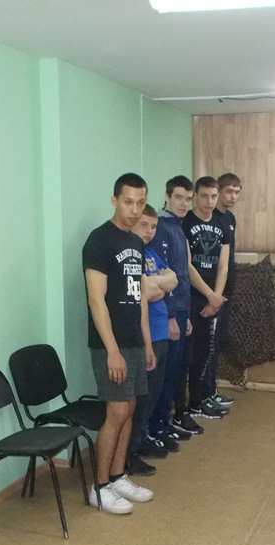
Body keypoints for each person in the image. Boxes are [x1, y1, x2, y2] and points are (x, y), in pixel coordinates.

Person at [83, 173, 157, 514]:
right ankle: (99, 488)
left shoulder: (136, 243)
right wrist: (112, 351)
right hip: (109, 345)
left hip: (134, 341)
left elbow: (138, 296)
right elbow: (96, 300)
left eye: (140, 203)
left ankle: (117, 476)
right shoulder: (99, 240)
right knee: (115, 412)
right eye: (128, 202)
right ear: (114, 201)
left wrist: (147, 343)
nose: (134, 209)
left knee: (129, 408)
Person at [125, 204, 178, 477]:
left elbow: (173, 280)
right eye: (144, 225)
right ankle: (129, 453)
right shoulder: (130, 256)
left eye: (153, 226)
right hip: (146, 337)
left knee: (154, 396)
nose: (149, 231)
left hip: (160, 333)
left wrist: (156, 283)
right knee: (141, 399)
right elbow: (146, 292)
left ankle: (143, 439)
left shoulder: (151, 254)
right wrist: (158, 284)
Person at [149, 176, 202, 441]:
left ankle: (163, 423)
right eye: (179, 197)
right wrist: (170, 316)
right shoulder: (161, 227)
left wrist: (186, 315)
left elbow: (181, 274)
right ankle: (155, 428)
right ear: (167, 197)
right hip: (167, 313)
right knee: (165, 374)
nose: (184, 203)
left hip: (181, 310)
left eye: (188, 199)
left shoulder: (178, 227)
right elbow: (160, 276)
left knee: (176, 371)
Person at [183, 176, 231, 420]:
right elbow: (187, 265)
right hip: (194, 296)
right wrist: (209, 295)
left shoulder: (222, 224)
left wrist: (217, 297)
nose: (209, 201)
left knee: (207, 351)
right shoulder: (186, 223)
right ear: (196, 196)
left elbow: (223, 265)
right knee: (191, 353)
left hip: (213, 299)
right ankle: (191, 403)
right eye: (204, 196)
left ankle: (202, 397)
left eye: (213, 196)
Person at [210, 172, 243, 409]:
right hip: (211, 291)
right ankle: (204, 392)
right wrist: (212, 293)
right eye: (229, 191)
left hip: (226, 290)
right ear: (219, 191)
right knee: (208, 344)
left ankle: (210, 389)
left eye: (237, 192)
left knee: (219, 341)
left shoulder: (230, 218)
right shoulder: (210, 218)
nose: (233, 196)